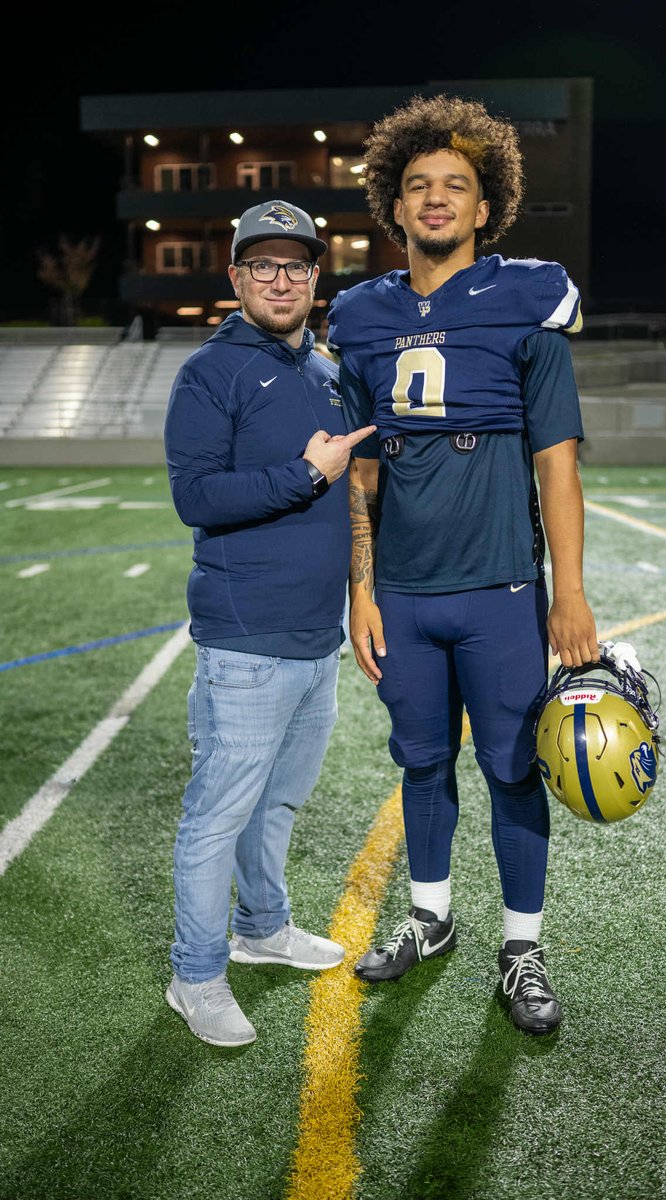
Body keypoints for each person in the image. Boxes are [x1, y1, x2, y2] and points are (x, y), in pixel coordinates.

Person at [327, 95, 599, 1035]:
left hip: (504, 591)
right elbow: (361, 467)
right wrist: (360, 591)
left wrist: (570, 592)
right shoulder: (360, 315)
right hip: (402, 590)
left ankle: (522, 947)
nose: (436, 200)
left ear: (487, 209)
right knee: (421, 763)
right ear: (394, 208)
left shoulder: (526, 304)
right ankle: (430, 919)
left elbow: (556, 461)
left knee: (514, 768)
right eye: (418, 187)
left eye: (456, 186)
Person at [163, 200, 375, 1046]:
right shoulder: (209, 372)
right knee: (217, 815)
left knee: (277, 804)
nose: (281, 280)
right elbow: (196, 497)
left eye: (296, 266)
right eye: (264, 266)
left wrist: (363, 591)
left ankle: (263, 928)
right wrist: (303, 474)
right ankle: (197, 973)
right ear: (237, 277)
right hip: (245, 642)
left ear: (316, 277)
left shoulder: (323, 369)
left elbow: (353, 493)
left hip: (316, 636)